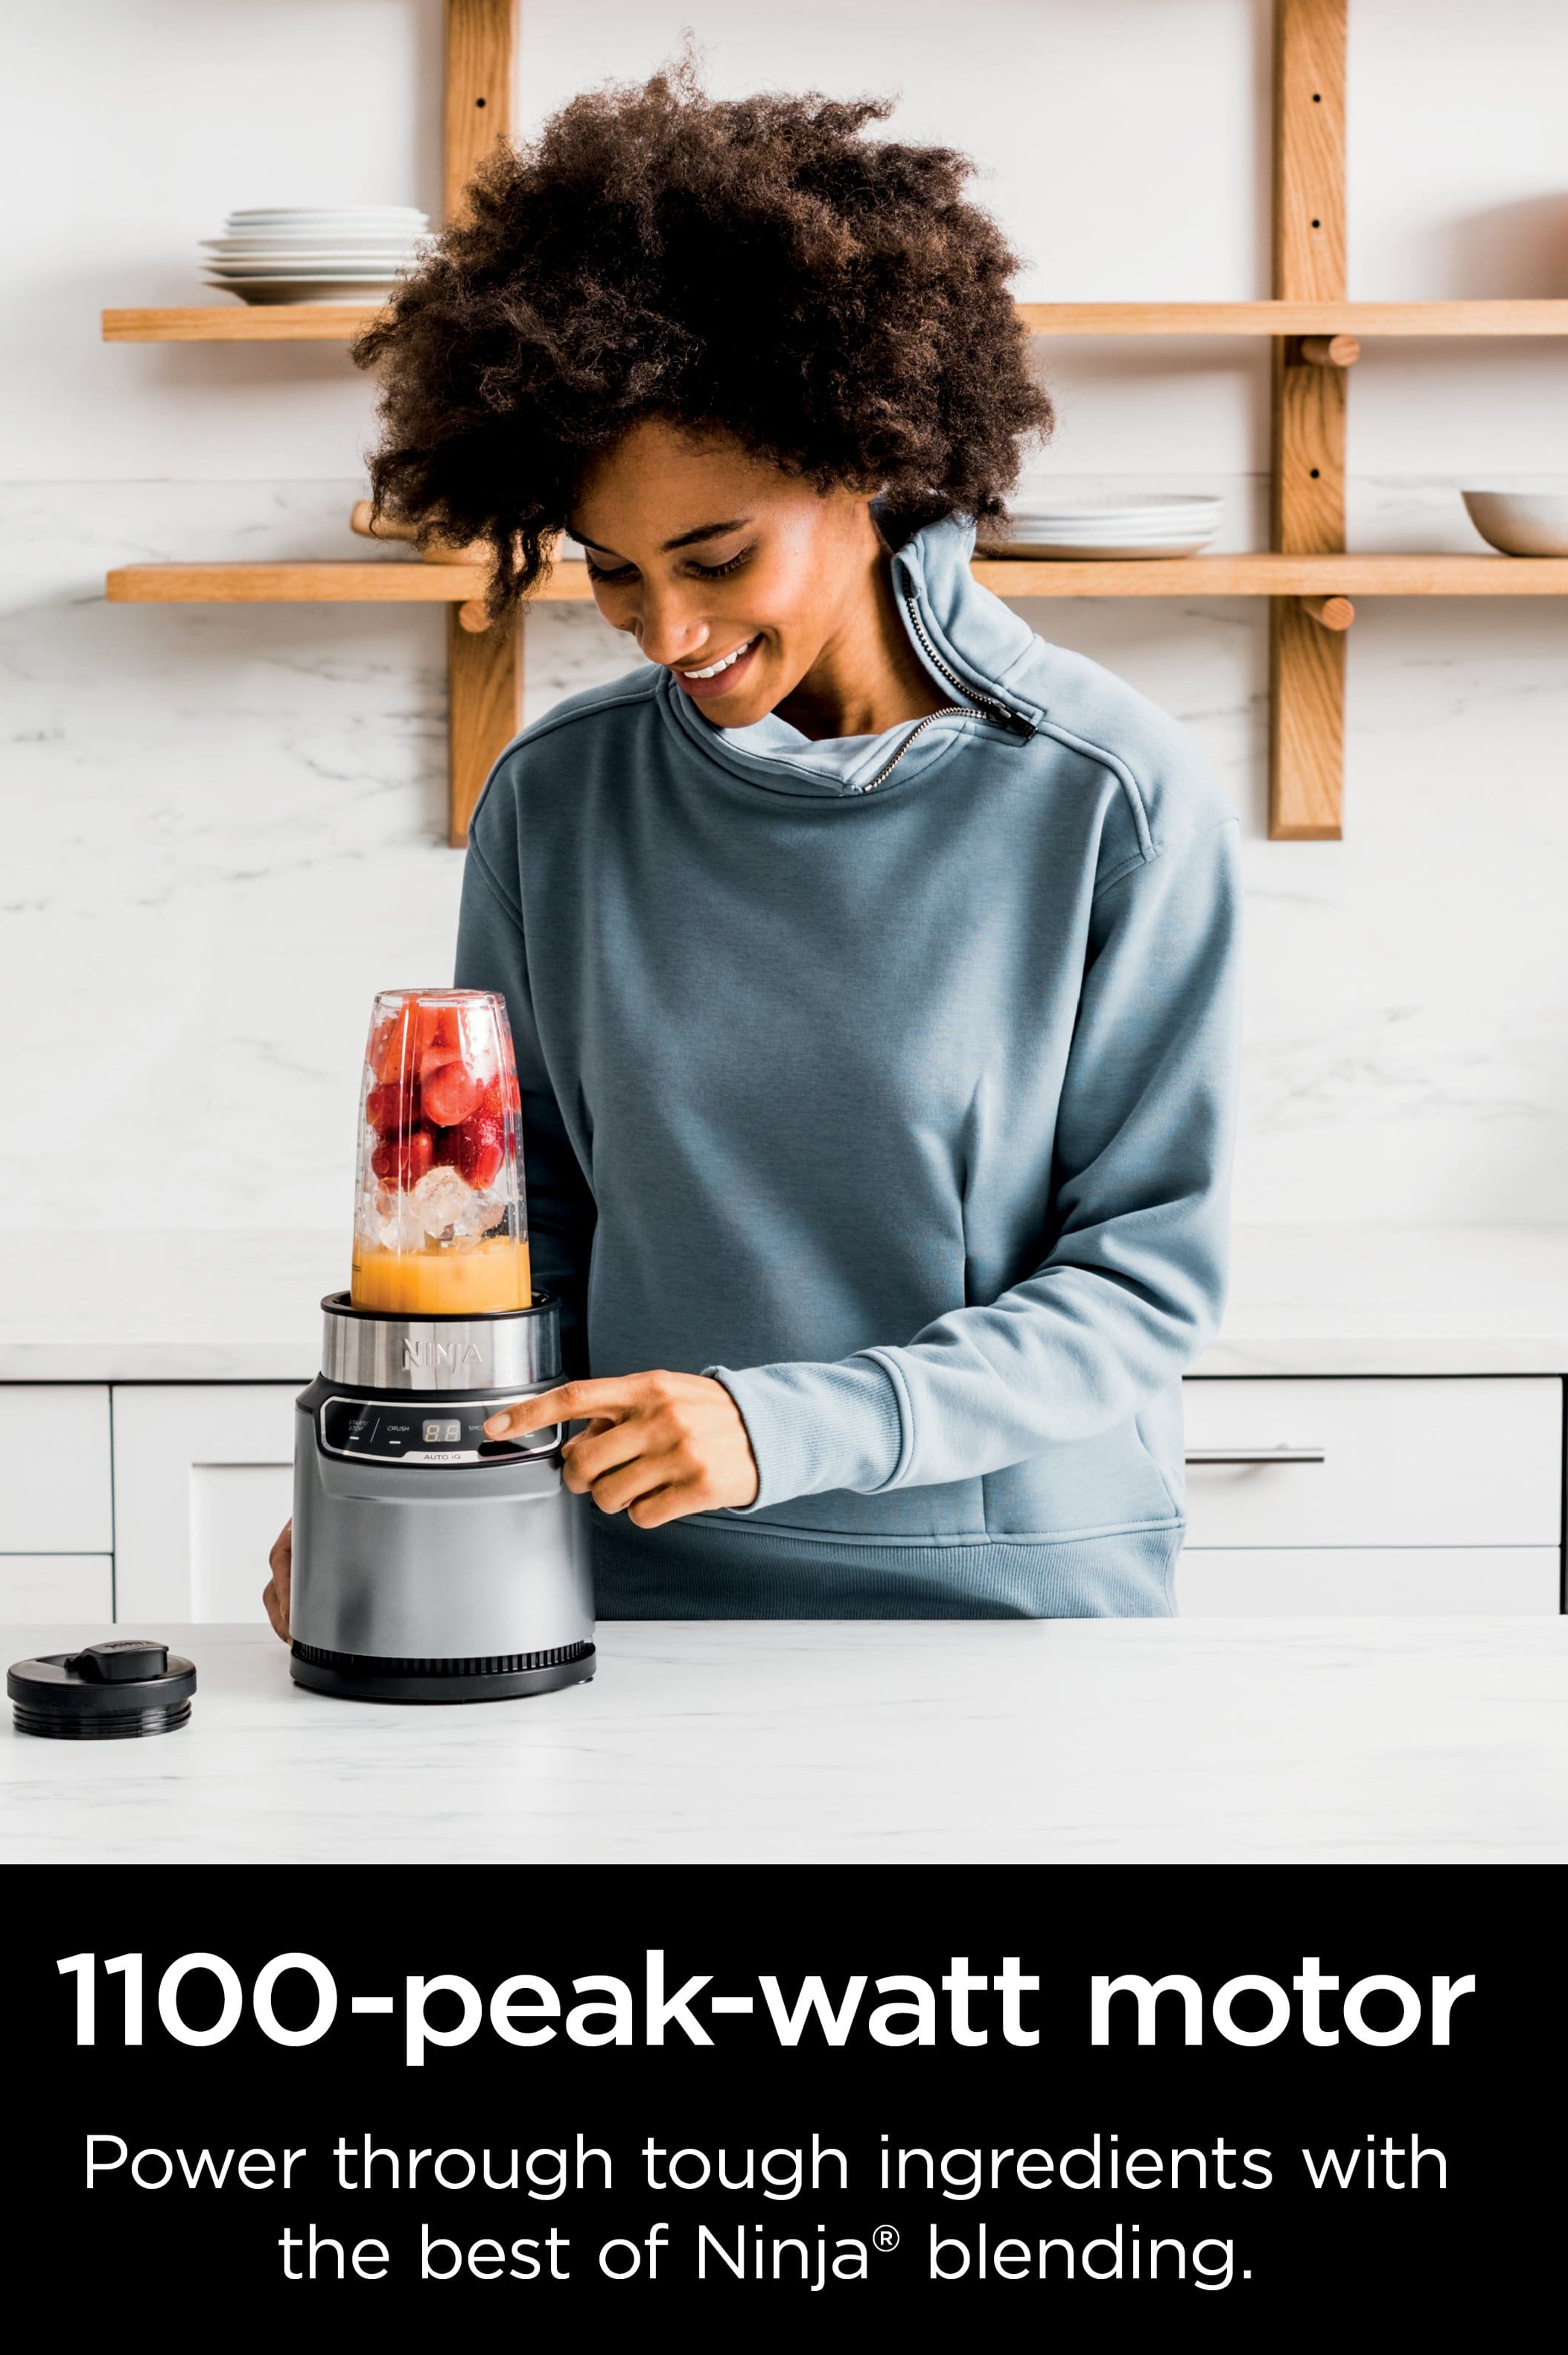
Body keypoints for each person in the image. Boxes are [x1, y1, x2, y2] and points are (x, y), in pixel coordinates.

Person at [267, 67, 1236, 1631]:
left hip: (1008, 1605)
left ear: (867, 453)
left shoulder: (1103, 794)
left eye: (717, 557)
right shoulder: (558, 802)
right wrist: (420, 1496)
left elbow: (1142, 1286)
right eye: (613, 571)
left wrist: (781, 1425)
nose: (668, 628)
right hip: (624, 1587)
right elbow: (518, 1241)